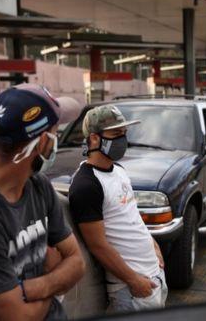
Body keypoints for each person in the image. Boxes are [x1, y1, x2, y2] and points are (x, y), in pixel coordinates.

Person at [0, 83, 85, 321]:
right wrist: (55, 282)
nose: (55, 141)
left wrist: (26, 290)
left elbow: (77, 264)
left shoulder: (38, 185)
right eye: (55, 133)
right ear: (42, 143)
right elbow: (19, 318)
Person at [68, 105, 167, 313]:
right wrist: (134, 281)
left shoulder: (119, 170)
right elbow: (98, 245)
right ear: (94, 139)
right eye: (115, 134)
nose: (122, 140)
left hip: (153, 274)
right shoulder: (86, 185)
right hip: (131, 288)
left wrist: (153, 244)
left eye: (124, 133)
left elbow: (130, 216)